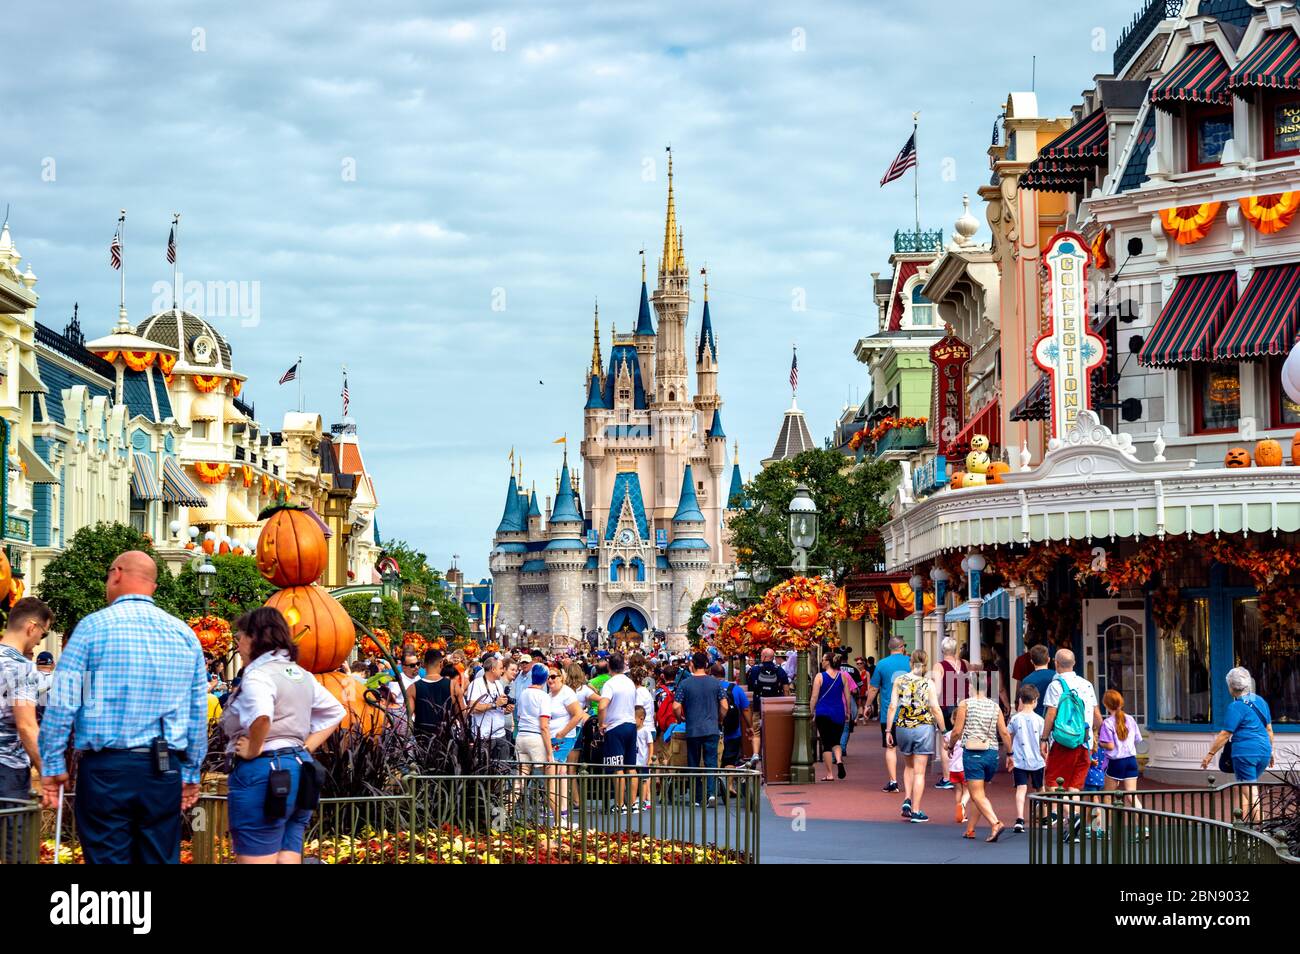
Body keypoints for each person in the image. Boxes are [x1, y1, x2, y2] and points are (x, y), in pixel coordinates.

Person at [39, 552, 209, 864]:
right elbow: (197, 711)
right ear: (153, 587)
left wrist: (52, 766)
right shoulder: (185, 635)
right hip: (163, 767)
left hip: (107, 769)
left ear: (116, 573)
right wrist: (192, 770)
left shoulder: (92, 629)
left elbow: (63, 702)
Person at [221, 608, 345, 863]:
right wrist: (305, 748)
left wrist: (252, 748)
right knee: (288, 852)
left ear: (255, 637)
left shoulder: (258, 675)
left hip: (262, 772)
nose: (238, 643)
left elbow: (262, 716)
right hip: (299, 770)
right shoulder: (301, 674)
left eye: (240, 636)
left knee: (257, 854)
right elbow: (335, 711)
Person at [0, 599, 53, 861]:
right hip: (7, 771)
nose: (39, 642)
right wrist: (47, 772)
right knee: (16, 853)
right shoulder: (22, 668)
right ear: (32, 627)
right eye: (43, 634)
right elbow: (26, 725)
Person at [1201, 667, 1274, 822]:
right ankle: (1240, 828)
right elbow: (1269, 730)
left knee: (1251, 792)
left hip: (1245, 753)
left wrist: (1210, 754)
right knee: (1244, 790)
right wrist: (1271, 752)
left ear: (1231, 687)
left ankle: (1262, 833)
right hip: (1264, 752)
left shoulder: (1235, 706)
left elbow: (1225, 734)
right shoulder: (1260, 701)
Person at [950, 666, 1013, 842]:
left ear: (971, 686)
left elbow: (956, 731)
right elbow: (1005, 733)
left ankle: (995, 823)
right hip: (992, 754)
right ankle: (970, 829)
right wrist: (1010, 753)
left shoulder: (965, 704)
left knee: (976, 793)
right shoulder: (995, 707)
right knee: (980, 793)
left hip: (973, 753)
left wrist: (950, 747)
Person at [885, 650, 946, 822]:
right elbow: (935, 708)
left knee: (908, 766)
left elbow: (892, 706)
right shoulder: (928, 683)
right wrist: (944, 731)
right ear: (925, 663)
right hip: (923, 728)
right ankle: (916, 810)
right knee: (920, 772)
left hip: (903, 727)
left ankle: (907, 799)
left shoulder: (899, 680)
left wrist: (888, 730)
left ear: (910, 662)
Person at [1039, 649, 1102, 795]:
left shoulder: (1055, 686)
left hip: (1063, 740)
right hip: (1085, 741)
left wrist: (1044, 738)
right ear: (1074, 663)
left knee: (1052, 781)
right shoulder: (1087, 685)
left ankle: (1057, 813)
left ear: (1056, 663)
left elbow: (1051, 713)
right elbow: (1097, 716)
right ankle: (1076, 815)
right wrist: (1096, 737)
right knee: (1075, 784)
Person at [673, 651, 726, 805]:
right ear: (706, 665)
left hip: (693, 728)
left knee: (694, 762)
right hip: (711, 728)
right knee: (711, 762)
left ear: (692, 665)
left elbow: (676, 706)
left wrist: (679, 718)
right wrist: (719, 719)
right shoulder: (715, 683)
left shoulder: (685, 683)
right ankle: (711, 794)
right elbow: (724, 706)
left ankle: (696, 797)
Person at [866, 636, 912, 794]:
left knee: (891, 747)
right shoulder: (911, 662)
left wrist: (867, 705)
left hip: (889, 714)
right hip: (910, 712)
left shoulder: (881, 664)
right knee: (909, 750)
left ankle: (893, 781)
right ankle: (911, 779)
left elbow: (873, 688)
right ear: (902, 647)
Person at [597, 652, 639, 810]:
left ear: (609, 666)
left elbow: (602, 705)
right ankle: (633, 802)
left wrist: (602, 723)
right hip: (631, 724)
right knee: (631, 766)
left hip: (615, 726)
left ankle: (620, 804)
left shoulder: (610, 684)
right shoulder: (630, 682)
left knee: (617, 766)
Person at [546, 666, 584, 824]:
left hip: (563, 738)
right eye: (548, 677)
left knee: (554, 772)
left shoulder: (567, 692)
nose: (550, 680)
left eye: (553, 677)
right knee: (560, 772)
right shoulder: (548, 695)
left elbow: (578, 714)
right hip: (552, 738)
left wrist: (563, 732)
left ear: (561, 677)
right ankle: (561, 812)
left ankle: (559, 813)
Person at [1006, 684, 1045, 834]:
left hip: (1019, 759)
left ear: (1021, 700)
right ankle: (1043, 816)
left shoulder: (1015, 719)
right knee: (1039, 788)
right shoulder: (1040, 720)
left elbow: (1008, 735)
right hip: (1037, 759)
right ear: (1035, 701)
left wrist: (1009, 753)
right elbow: (1044, 739)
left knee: (1021, 788)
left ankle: (1020, 818)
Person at [932, 636, 968, 790]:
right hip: (964, 704)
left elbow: (938, 690)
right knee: (964, 738)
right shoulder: (965, 664)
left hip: (947, 705)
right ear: (955, 650)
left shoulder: (939, 666)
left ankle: (947, 777)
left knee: (945, 740)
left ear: (942, 650)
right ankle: (964, 772)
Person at [465, 656, 513, 768]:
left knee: (502, 770)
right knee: (483, 769)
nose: (503, 671)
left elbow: (498, 708)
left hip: (500, 734)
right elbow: (472, 707)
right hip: (484, 736)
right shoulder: (476, 684)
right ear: (493, 669)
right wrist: (494, 704)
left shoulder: (498, 684)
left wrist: (506, 710)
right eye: (501, 668)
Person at [811, 653, 850, 781]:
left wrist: (811, 710)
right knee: (836, 741)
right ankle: (839, 761)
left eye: (823, 660)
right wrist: (848, 711)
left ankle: (829, 774)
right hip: (839, 712)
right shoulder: (843, 676)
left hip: (823, 712)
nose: (821, 662)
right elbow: (847, 697)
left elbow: (815, 696)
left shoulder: (819, 676)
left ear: (828, 662)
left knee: (826, 743)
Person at [513, 665, 552, 774]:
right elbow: (544, 726)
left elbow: (519, 716)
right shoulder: (544, 696)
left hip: (521, 736)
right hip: (536, 737)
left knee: (521, 774)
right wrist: (549, 752)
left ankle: (516, 792)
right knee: (544, 775)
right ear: (545, 678)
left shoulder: (523, 693)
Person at [715, 662, 752, 776]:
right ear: (724, 674)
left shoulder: (709, 688)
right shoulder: (736, 689)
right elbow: (746, 709)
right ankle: (729, 785)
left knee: (714, 758)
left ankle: (715, 785)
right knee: (730, 760)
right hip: (733, 731)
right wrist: (749, 726)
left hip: (714, 731)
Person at [409, 648, 453, 740]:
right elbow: (461, 713)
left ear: (424, 664)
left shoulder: (412, 688)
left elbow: (408, 716)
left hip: (422, 739)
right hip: (446, 739)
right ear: (441, 663)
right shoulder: (453, 685)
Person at [746, 647, 790, 713]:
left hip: (758, 705)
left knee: (757, 722)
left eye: (761, 655)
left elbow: (749, 689)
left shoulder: (754, 670)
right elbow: (786, 689)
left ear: (764, 657)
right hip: (775, 706)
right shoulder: (780, 670)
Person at [1019, 644, 1054, 719]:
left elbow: (1021, 707)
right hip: (1055, 721)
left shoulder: (1027, 680)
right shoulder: (1057, 676)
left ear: (1032, 661)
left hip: (1034, 721)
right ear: (1048, 659)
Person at [943, 727, 969, 824]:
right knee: (968, 790)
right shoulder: (967, 733)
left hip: (953, 768)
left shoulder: (950, 734)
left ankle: (961, 812)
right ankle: (962, 806)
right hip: (964, 767)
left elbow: (945, 747)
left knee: (958, 790)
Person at [633, 704, 654, 812]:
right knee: (635, 779)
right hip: (634, 760)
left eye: (634, 718)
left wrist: (650, 758)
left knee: (644, 781)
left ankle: (642, 801)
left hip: (643, 760)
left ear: (641, 718)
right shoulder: (632, 730)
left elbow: (650, 744)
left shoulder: (646, 731)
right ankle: (638, 800)